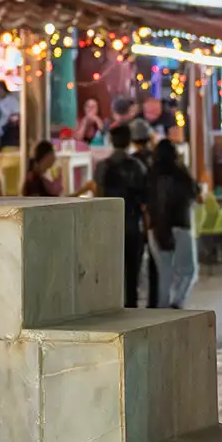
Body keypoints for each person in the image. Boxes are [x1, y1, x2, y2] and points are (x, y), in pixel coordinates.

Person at [98, 123, 151, 307]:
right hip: (132, 224)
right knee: (132, 274)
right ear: (129, 141)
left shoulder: (102, 167)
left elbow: (98, 196)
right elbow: (145, 199)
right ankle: (131, 309)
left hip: (108, 226)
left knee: (111, 274)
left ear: (111, 141)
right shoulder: (137, 166)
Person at [146, 139, 201, 308]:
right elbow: (196, 195)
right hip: (180, 225)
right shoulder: (181, 174)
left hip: (156, 228)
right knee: (188, 271)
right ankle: (177, 302)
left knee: (165, 273)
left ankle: (163, 309)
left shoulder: (150, 175)